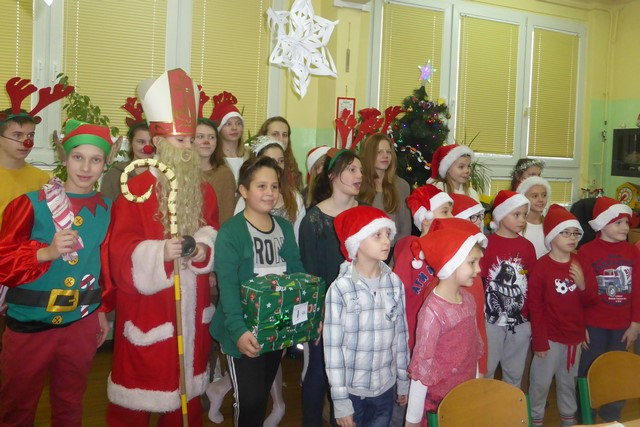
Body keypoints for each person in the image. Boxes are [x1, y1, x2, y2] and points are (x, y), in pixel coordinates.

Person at [102, 68, 219, 426]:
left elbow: (211, 231)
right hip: (149, 309)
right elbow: (118, 254)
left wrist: (202, 250)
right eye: (181, 141)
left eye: (192, 140)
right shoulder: (134, 190)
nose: (190, 148)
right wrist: (158, 254)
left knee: (186, 397)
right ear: (160, 141)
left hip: (192, 306)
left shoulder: (204, 190)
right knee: (135, 397)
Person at [0, 119, 117, 426]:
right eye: (78, 157)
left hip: (81, 321)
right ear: (64, 158)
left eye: (95, 160)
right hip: (29, 321)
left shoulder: (109, 209)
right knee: (16, 404)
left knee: (70, 402)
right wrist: (45, 253)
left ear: (106, 164)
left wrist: (102, 310)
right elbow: (3, 260)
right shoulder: (30, 204)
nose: (86, 167)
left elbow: (105, 265)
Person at [210, 156, 305, 427]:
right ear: (244, 190)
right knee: (249, 401)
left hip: (276, 327)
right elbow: (228, 286)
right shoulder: (231, 232)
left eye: (274, 186)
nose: (270, 193)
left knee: (261, 393)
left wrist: (304, 315)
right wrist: (239, 331)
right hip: (241, 329)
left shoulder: (284, 228)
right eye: (261, 186)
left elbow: (297, 274)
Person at [324, 206, 409, 426]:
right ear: (357, 242)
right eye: (377, 235)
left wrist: (403, 380)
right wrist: (340, 401)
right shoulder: (340, 289)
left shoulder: (394, 283)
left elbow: (401, 336)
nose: (386, 241)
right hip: (352, 391)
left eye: (388, 234)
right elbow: (333, 350)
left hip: (385, 388)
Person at [299, 148, 362, 426]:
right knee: (319, 370)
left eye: (361, 170)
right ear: (333, 175)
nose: (359, 176)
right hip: (327, 311)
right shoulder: (313, 219)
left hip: (359, 308)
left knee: (350, 375)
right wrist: (320, 315)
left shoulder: (365, 214)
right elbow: (311, 273)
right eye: (352, 170)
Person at [405, 228, 484, 426]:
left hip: (464, 398)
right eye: (472, 262)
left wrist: (475, 385)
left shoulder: (468, 300)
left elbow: (472, 350)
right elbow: (421, 372)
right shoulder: (433, 312)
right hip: (439, 407)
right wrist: (412, 421)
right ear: (451, 263)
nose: (478, 269)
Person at [528, 204, 598, 426]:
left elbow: (590, 302)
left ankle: (568, 419)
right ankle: (535, 419)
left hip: (573, 340)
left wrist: (582, 285)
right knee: (540, 384)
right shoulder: (541, 267)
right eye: (565, 233)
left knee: (568, 383)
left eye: (575, 233)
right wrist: (539, 341)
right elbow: (535, 307)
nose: (572, 238)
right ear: (551, 236)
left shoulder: (582, 264)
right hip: (548, 339)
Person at [578, 196, 640, 422]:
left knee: (617, 369)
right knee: (588, 369)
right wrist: (581, 325)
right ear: (603, 224)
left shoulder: (632, 252)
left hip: (622, 326)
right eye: (619, 222)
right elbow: (580, 294)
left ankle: (612, 416)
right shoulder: (586, 252)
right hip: (593, 325)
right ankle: (586, 414)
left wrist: (636, 323)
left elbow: (638, 289)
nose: (626, 227)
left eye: (627, 222)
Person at [481, 190, 537, 387]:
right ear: (501, 214)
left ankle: (509, 404)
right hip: (491, 322)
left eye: (524, 215)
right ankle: (483, 403)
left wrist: (531, 318)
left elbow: (532, 283)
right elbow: (480, 281)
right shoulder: (486, 244)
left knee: (514, 373)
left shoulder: (527, 247)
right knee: (486, 369)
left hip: (520, 322)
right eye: (516, 214)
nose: (522, 220)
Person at [394, 184, 453, 353]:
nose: (452, 216)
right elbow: (398, 294)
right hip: (411, 332)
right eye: (445, 212)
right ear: (426, 218)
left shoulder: (447, 251)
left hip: (439, 333)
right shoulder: (410, 250)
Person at [235, 136, 305, 240]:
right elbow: (237, 231)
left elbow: (298, 236)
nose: (277, 166)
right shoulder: (246, 198)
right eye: (271, 161)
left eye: (281, 161)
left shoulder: (295, 197)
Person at [359, 133, 412, 251]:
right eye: (379, 152)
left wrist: (394, 257)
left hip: (391, 253)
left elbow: (405, 229)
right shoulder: (358, 183)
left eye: (388, 152)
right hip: (363, 252)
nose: (385, 156)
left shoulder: (401, 185)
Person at [100, 97, 154, 200]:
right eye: (141, 142)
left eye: (152, 142)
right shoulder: (114, 175)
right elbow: (106, 206)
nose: (147, 147)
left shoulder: (164, 175)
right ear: (130, 142)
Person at [193, 117, 237, 225]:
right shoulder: (181, 172)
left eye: (211, 137)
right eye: (200, 136)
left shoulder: (224, 175)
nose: (206, 142)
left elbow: (226, 219)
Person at [210, 91, 249, 184]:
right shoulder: (213, 157)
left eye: (238, 123)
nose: (234, 128)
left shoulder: (250, 155)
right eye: (228, 124)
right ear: (219, 128)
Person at [258, 116, 303, 190]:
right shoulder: (254, 167)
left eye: (285, 135)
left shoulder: (292, 168)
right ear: (264, 136)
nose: (281, 139)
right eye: (275, 134)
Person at [516, 176, 551, 259]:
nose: (541, 200)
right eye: (534, 196)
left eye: (544, 195)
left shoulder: (550, 224)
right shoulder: (516, 225)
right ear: (523, 197)